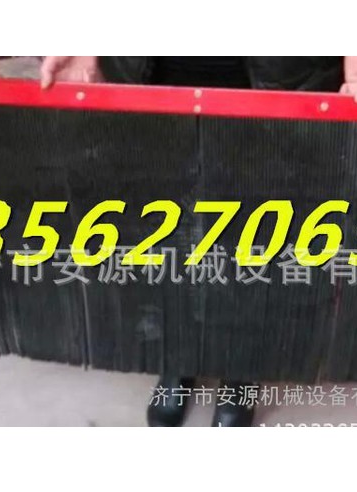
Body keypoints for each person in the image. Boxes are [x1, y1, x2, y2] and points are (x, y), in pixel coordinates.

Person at [39, 56, 354, 427]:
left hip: (274, 70)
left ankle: (241, 365)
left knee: (255, 224)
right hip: (161, 68)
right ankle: (180, 351)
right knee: (168, 221)